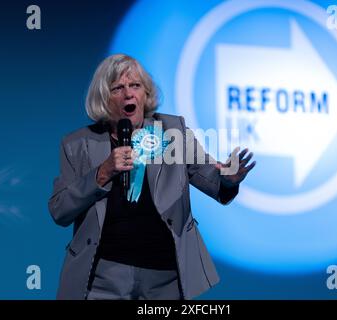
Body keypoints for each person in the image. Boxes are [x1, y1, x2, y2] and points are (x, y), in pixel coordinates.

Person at [48, 54, 256, 300]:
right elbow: (60, 210)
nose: (129, 94)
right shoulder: (78, 144)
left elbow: (208, 176)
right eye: (118, 88)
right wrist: (102, 173)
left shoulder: (172, 131)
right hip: (103, 276)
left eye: (135, 86)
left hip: (165, 275)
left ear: (145, 94)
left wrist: (228, 179)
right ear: (104, 99)